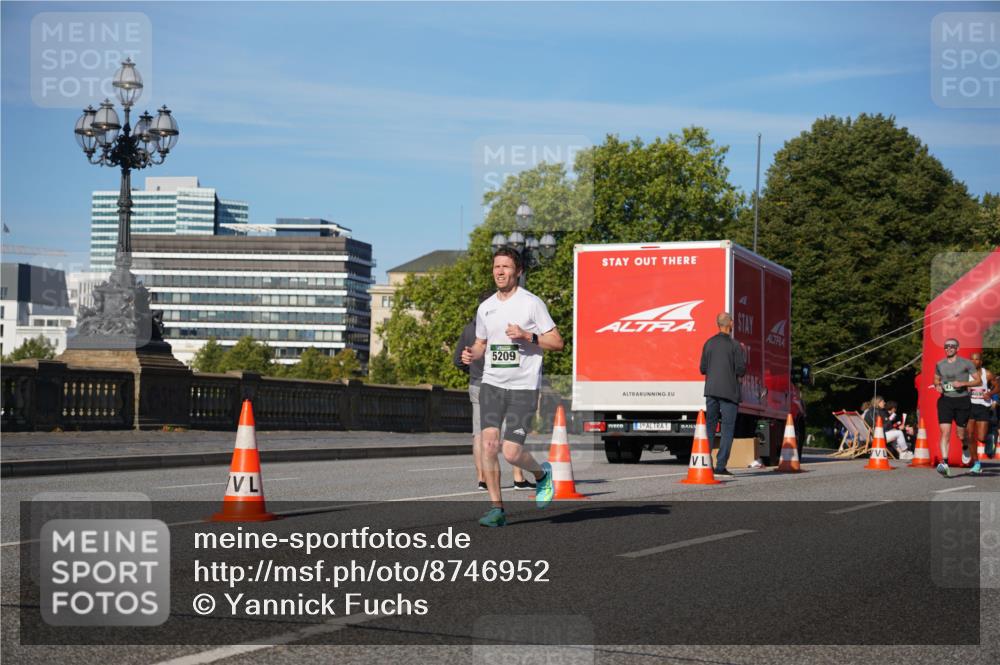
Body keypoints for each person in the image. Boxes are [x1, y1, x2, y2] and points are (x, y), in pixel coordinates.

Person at [461, 247, 563, 527]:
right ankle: (497, 508)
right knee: (489, 445)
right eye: (496, 267)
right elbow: (482, 343)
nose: (500, 271)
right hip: (492, 385)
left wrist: (527, 335)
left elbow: (557, 342)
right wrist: (472, 353)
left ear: (518, 271)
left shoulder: (532, 304)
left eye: (506, 267)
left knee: (511, 452)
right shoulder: (486, 308)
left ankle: (542, 475)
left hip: (523, 388)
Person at [453, 290, 533, 492]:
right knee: (510, 434)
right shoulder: (501, 327)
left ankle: (482, 480)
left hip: (476, 384)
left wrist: (473, 370)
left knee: (479, 434)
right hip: (502, 384)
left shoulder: (468, 330)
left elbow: (458, 360)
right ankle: (518, 478)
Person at [699, 312, 746, 476]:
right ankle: (721, 466)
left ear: (718, 324)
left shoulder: (708, 343)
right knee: (727, 429)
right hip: (729, 393)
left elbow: (703, 369)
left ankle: (706, 464)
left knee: (710, 428)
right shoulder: (735, 346)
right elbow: (741, 370)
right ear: (730, 324)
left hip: (711, 392)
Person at [934, 338, 978, 477]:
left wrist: (963, 383)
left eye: (952, 346)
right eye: (946, 346)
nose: (949, 348)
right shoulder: (940, 364)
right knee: (945, 433)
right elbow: (936, 379)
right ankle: (945, 463)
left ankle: (965, 447)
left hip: (962, 401)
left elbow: (978, 380)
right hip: (945, 401)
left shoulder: (966, 363)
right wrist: (938, 386)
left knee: (961, 434)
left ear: (957, 349)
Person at [968, 352, 999, 467]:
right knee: (970, 435)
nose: (973, 362)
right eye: (971, 359)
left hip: (983, 407)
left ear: (981, 362)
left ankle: (992, 432)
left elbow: (998, 386)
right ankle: (976, 463)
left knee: (981, 438)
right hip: (969, 406)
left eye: (976, 360)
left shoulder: (988, 374)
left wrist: (990, 393)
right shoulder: (966, 374)